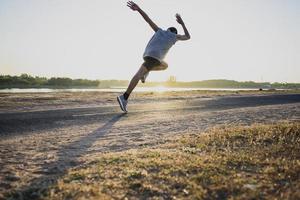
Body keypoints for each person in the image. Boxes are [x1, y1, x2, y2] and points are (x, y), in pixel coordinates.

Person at [117, 1, 191, 112]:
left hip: (147, 55)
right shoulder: (175, 36)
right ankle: (124, 97)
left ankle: (146, 73)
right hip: (155, 58)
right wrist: (182, 23)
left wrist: (139, 9)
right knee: (139, 74)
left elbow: (147, 19)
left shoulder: (159, 31)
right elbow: (188, 37)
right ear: (174, 32)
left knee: (165, 65)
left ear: (167, 30)